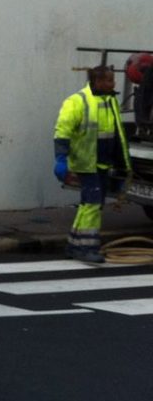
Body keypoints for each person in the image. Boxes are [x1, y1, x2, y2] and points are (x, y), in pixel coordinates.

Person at [54, 64, 131, 263]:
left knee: (89, 205)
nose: (112, 83)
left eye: (112, 80)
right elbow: (63, 131)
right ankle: (87, 248)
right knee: (92, 205)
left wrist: (122, 162)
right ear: (96, 81)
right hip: (87, 163)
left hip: (102, 163)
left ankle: (74, 245)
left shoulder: (110, 100)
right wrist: (61, 160)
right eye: (108, 80)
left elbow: (115, 133)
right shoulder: (78, 101)